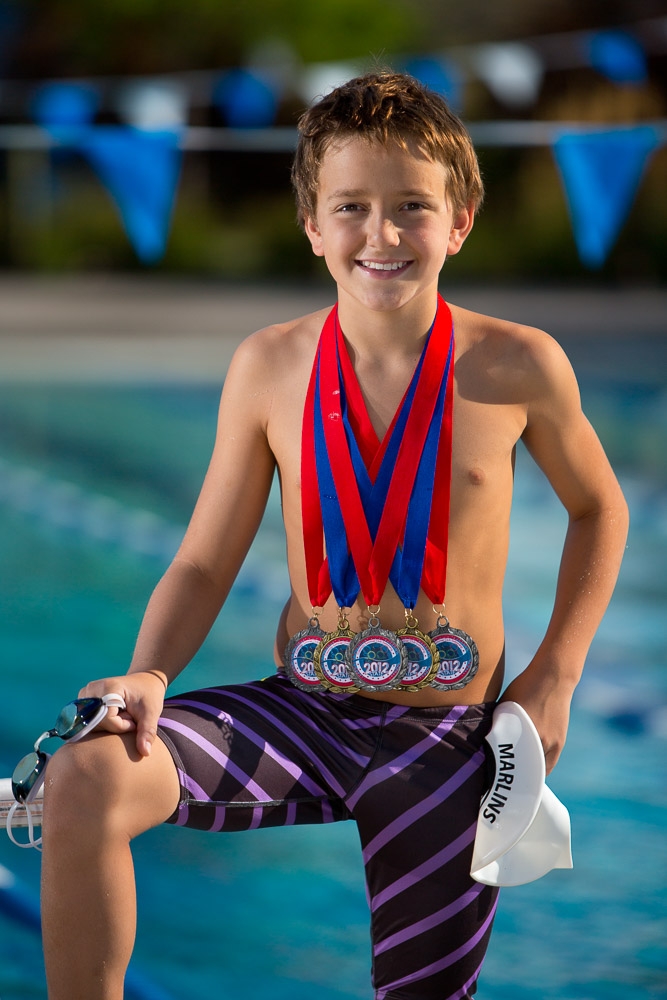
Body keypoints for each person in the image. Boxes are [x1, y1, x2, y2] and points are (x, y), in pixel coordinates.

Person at [40, 72, 628, 1000]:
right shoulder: (269, 365)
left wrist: (555, 673)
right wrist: (149, 673)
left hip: (442, 738)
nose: (381, 235)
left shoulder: (515, 363)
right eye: (351, 207)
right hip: (301, 712)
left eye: (411, 208)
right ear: (313, 226)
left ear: (460, 219)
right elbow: (203, 557)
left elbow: (601, 509)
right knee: (84, 780)